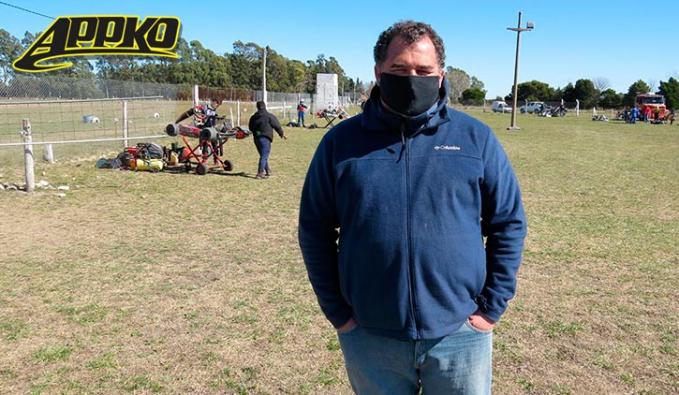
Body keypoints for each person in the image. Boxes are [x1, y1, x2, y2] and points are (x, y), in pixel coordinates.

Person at [298, 20, 527, 394]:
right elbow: (314, 228)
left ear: (441, 75)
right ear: (378, 72)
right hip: (371, 336)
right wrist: (339, 314)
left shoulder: (475, 138)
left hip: (460, 334)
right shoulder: (341, 143)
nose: (412, 79)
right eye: (399, 70)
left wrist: (489, 310)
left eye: (423, 71)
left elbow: (508, 222)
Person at [248, 101, 286, 179]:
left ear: (257, 107)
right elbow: (277, 126)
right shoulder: (269, 116)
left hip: (256, 139)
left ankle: (267, 170)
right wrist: (281, 134)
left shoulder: (253, 117)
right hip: (265, 138)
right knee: (264, 156)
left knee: (263, 155)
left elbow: (250, 128)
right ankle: (260, 173)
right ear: (265, 106)